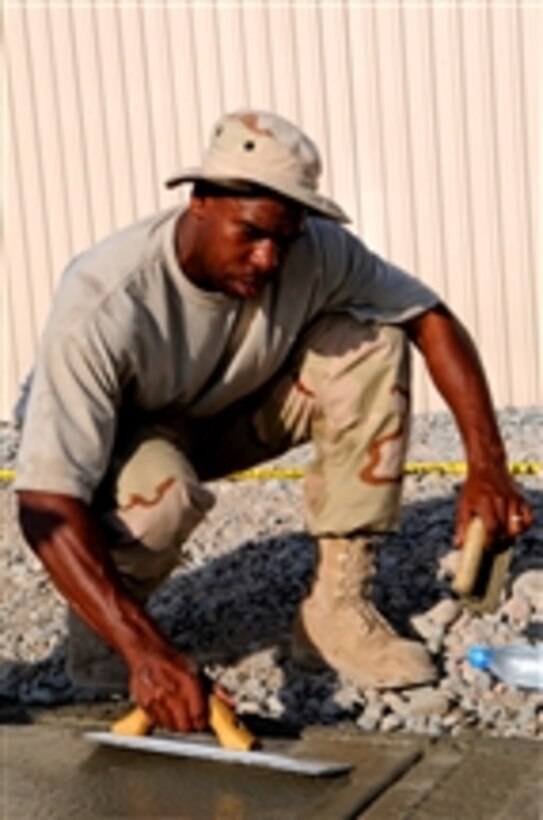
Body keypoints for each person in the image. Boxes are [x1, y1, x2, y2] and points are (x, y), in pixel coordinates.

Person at [16, 110, 532, 733]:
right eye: (252, 233)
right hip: (123, 445)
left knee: (373, 341)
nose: (268, 259)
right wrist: (148, 651)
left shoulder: (309, 249)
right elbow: (47, 502)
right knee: (164, 495)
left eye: (283, 240)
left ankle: (335, 613)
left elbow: (431, 319)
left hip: (224, 417)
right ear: (199, 201)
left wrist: (487, 467)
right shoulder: (104, 300)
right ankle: (103, 638)